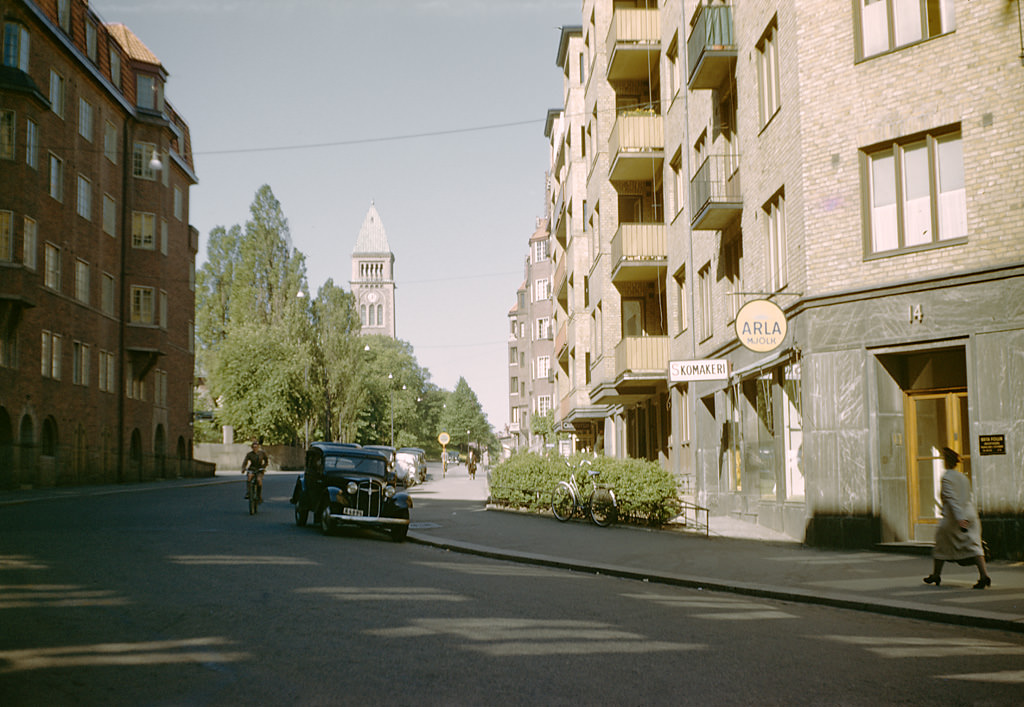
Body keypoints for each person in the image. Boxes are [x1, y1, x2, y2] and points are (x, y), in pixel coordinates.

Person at [923, 447, 991, 589]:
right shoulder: (962, 477)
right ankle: (984, 575)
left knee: (941, 544)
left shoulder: (947, 477)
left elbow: (952, 500)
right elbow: (968, 497)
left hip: (954, 518)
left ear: (946, 462)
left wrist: (961, 520)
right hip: (970, 514)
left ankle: (936, 575)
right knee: (975, 546)